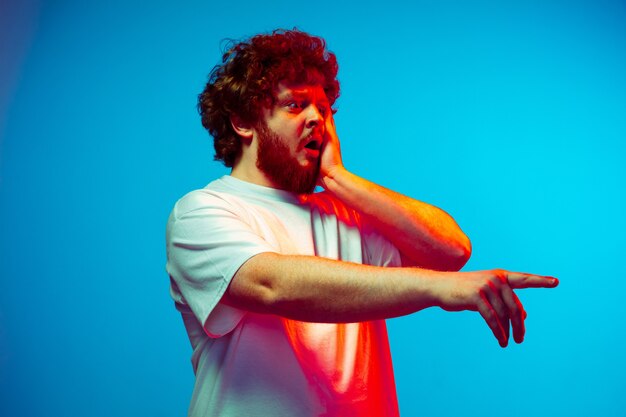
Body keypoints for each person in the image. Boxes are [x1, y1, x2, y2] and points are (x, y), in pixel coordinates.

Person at [165, 29, 558, 417]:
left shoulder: (345, 214)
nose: (316, 119)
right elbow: (270, 284)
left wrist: (338, 179)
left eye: (323, 108)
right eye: (295, 105)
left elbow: (451, 250)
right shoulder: (203, 210)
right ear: (242, 122)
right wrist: (439, 288)